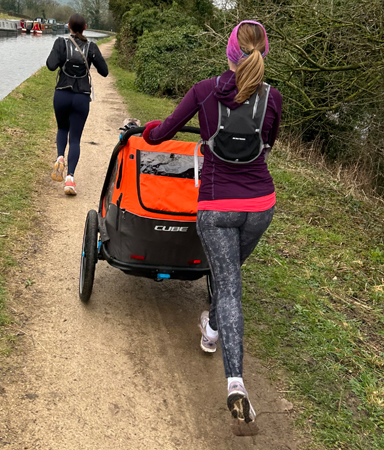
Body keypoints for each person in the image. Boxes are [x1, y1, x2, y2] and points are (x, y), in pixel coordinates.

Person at [142, 21, 282, 423]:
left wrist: (145, 129)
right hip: (261, 205)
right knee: (229, 277)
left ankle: (236, 383)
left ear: (229, 52)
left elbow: (162, 133)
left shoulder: (204, 91)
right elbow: (269, 143)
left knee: (229, 286)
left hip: (218, 207)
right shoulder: (274, 99)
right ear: (263, 54)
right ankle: (211, 332)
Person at [46, 13, 108, 195]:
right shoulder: (92, 47)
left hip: (62, 94)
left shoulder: (60, 43)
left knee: (62, 129)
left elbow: (50, 65)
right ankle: (70, 179)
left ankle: (60, 158)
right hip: (81, 97)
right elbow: (104, 72)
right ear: (85, 27)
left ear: (68, 26)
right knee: (75, 138)